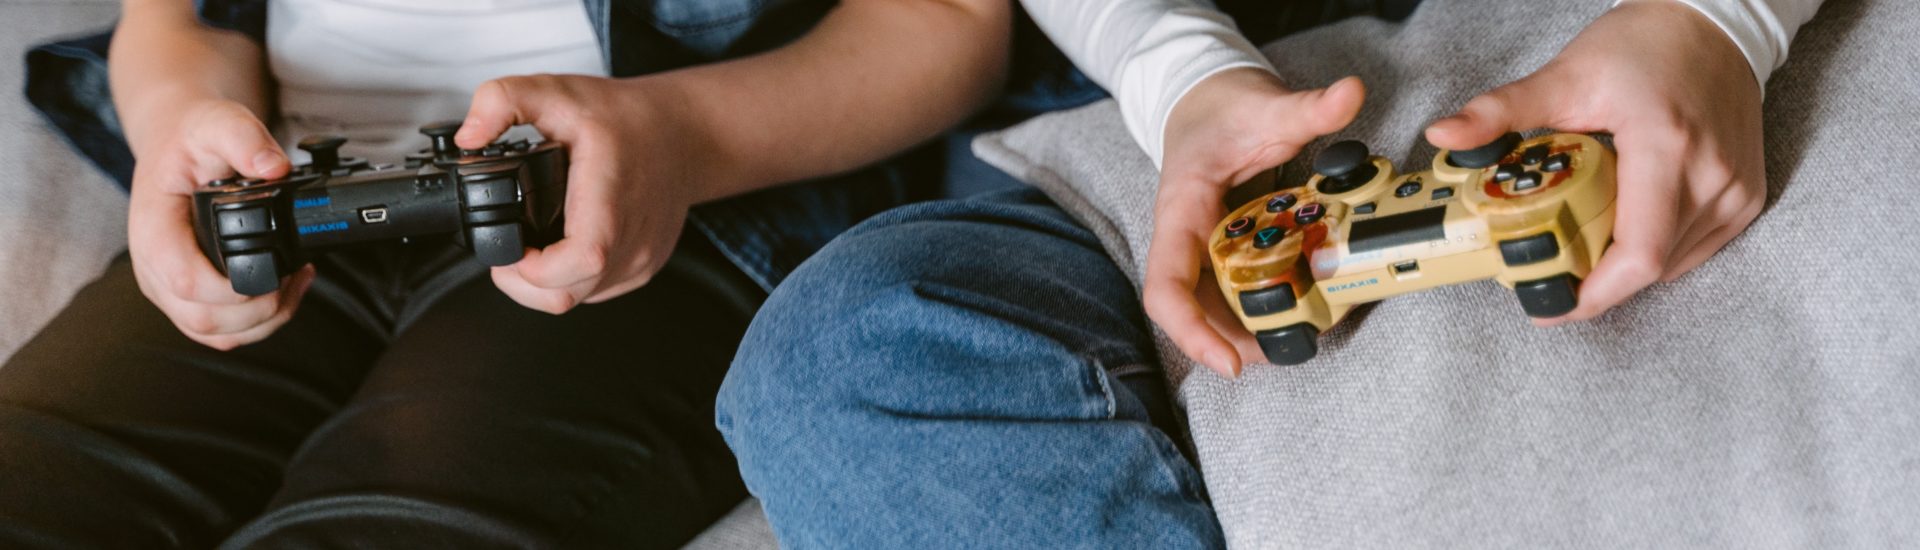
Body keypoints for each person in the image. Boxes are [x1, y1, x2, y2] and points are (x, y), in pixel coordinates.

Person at [716, 0, 1823, 545]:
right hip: (1211, 118)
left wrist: (1724, 20)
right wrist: (1185, 78)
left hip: (1669, 52)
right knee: (834, 360)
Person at [0, 0, 1048, 547]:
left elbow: (951, 19)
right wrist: (173, 129)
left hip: (663, 205)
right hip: (281, 185)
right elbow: (172, 17)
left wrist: (682, 135)